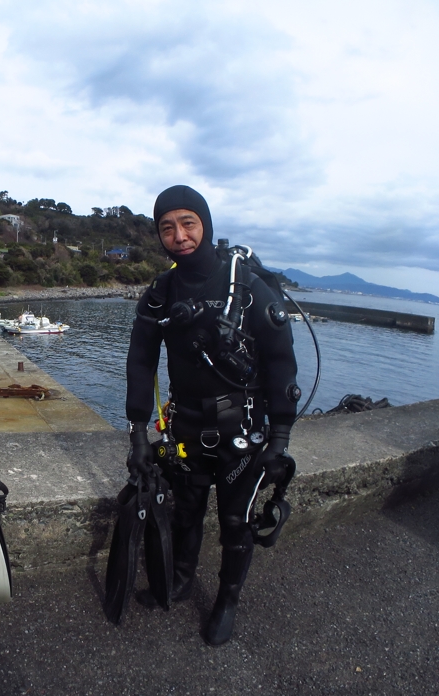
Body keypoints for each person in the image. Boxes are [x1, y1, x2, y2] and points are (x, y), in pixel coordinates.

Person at [125, 184, 299, 646]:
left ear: (204, 225)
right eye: (167, 227)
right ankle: (181, 580)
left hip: (241, 428)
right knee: (186, 511)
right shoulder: (161, 293)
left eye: (188, 223)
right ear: (159, 236)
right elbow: (140, 361)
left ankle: (227, 600)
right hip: (185, 424)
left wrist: (280, 438)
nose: (179, 235)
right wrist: (138, 432)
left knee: (236, 521)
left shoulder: (245, 286)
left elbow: (282, 359)